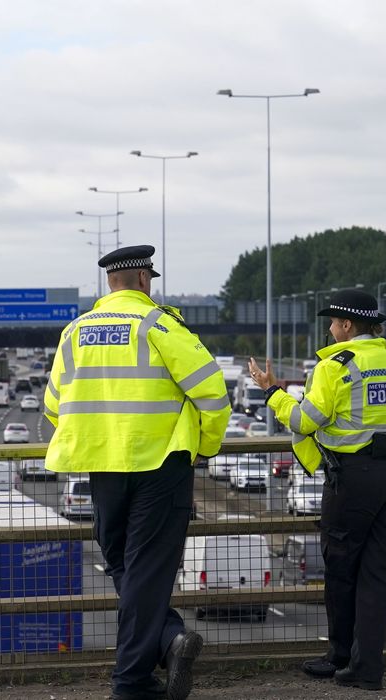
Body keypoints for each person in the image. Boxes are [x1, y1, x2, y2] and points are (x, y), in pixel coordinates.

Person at [44, 244, 231, 700]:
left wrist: (100, 433)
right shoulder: (159, 325)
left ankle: (159, 654)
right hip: (162, 465)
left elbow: (54, 406)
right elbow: (213, 395)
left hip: (104, 468)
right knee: (145, 570)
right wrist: (201, 448)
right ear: (145, 280)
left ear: (110, 282)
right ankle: (136, 677)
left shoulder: (74, 332)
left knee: (123, 564)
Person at [248, 288, 386, 692]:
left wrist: (273, 394)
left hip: (354, 478)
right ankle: (368, 666)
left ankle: (340, 656)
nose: (330, 330)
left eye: (333, 323)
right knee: (378, 571)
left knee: (340, 568)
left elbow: (307, 421)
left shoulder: (336, 367)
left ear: (347, 325)